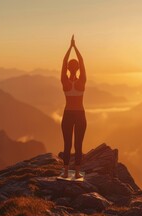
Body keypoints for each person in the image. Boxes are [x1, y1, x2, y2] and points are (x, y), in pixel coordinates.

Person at [60, 35, 87, 179]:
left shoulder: (64, 80)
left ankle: (65, 172)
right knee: (78, 144)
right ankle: (76, 173)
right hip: (80, 114)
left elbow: (64, 62)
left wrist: (70, 47)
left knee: (67, 144)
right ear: (77, 68)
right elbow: (81, 61)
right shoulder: (82, 80)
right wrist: (74, 47)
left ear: (69, 68)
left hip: (68, 114)